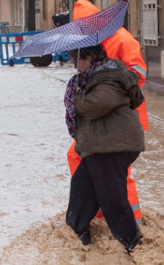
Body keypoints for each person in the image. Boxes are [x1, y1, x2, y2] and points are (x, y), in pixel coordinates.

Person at [69, 0, 149, 225]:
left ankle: (131, 220)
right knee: (78, 156)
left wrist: (107, 82)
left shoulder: (122, 39)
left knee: (117, 172)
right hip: (98, 116)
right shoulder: (88, 44)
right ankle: (100, 212)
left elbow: (138, 73)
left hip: (122, 117)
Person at [64, 45, 144, 251]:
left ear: (89, 58)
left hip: (114, 146)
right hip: (99, 147)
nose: (75, 65)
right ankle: (76, 235)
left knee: (111, 198)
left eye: (77, 60)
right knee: (82, 190)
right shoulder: (94, 77)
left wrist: (75, 97)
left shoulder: (109, 76)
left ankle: (134, 245)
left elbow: (94, 106)